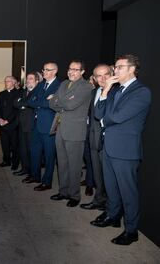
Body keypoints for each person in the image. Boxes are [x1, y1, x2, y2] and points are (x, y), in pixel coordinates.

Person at [91, 54, 151, 245]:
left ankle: (131, 231)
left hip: (125, 150)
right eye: (115, 67)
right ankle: (113, 216)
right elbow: (98, 112)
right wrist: (106, 89)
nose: (114, 70)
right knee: (111, 188)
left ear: (132, 69)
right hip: (109, 146)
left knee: (128, 192)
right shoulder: (116, 90)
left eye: (119, 67)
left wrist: (103, 120)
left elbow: (118, 117)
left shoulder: (141, 92)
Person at [49, 60, 93, 206]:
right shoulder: (63, 84)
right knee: (61, 163)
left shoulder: (86, 86)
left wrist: (58, 100)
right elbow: (51, 103)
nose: (71, 72)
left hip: (75, 131)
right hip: (60, 128)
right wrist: (60, 101)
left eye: (75, 69)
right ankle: (63, 191)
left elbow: (70, 104)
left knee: (74, 165)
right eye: (70, 69)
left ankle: (74, 196)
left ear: (82, 72)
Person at [24, 62, 61, 191]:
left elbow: (53, 104)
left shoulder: (59, 86)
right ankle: (35, 176)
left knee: (50, 155)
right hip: (36, 124)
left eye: (47, 69)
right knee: (35, 152)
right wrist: (45, 101)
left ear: (54, 71)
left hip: (49, 126)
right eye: (43, 69)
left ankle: (47, 182)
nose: (43, 72)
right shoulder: (41, 85)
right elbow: (29, 100)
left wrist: (41, 102)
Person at [80, 64, 112, 211]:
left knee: (109, 178)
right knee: (97, 174)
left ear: (112, 74)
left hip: (109, 143)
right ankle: (98, 200)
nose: (103, 78)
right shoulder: (94, 93)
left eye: (106, 74)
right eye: (99, 75)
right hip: (93, 140)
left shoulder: (117, 92)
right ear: (94, 78)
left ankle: (110, 207)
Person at [13, 72, 39, 177]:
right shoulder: (23, 91)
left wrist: (23, 103)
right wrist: (24, 103)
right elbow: (15, 103)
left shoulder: (38, 93)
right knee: (23, 149)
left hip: (32, 126)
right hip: (22, 125)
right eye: (27, 79)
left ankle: (33, 172)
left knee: (31, 150)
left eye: (31, 79)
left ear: (37, 81)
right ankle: (25, 169)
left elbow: (30, 104)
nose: (28, 81)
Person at [0, 76, 19, 170]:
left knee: (14, 145)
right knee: (4, 144)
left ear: (13, 82)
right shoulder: (2, 93)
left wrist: (7, 120)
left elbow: (16, 110)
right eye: (5, 81)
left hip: (13, 124)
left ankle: (15, 163)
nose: (6, 83)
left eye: (8, 81)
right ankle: (6, 161)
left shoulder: (19, 93)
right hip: (2, 124)